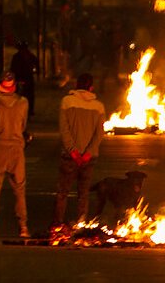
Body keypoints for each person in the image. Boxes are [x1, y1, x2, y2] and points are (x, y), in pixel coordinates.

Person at [53, 73, 105, 226]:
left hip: (70, 157)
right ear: (91, 87)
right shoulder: (99, 107)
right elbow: (99, 134)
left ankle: (57, 224)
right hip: (89, 158)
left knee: (62, 192)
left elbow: (64, 129)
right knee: (83, 194)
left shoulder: (66, 102)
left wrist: (73, 151)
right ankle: (81, 223)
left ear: (76, 85)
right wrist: (88, 152)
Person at [0, 72, 30, 238]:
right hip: (16, 148)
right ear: (14, 86)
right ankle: (23, 227)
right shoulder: (23, 103)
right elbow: (23, 126)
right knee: (19, 189)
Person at [10, 40, 39, 118]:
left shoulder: (17, 56)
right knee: (29, 95)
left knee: (20, 95)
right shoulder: (30, 55)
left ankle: (25, 110)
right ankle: (29, 110)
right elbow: (37, 65)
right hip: (26, 78)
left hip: (21, 78)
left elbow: (12, 68)